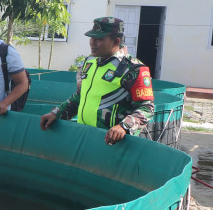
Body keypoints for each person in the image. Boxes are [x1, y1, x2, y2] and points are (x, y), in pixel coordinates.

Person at [39, 17, 155, 145]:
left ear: (116, 41)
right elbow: (81, 95)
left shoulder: (133, 68)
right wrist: (57, 113)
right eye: (92, 38)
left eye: (99, 39)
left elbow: (147, 107)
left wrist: (124, 127)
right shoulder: (89, 62)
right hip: (85, 137)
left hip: (113, 144)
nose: (93, 43)